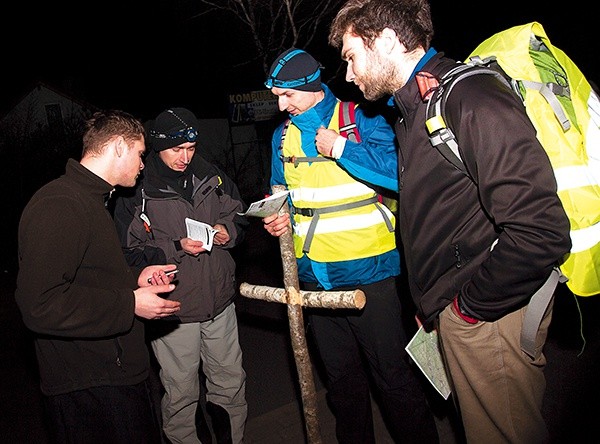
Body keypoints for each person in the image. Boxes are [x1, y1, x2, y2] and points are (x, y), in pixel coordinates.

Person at [328, 1, 572, 443]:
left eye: (350, 56)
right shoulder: (417, 106)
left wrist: (466, 310)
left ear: (386, 41)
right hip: (459, 310)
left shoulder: (469, 96)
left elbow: (540, 230)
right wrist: (431, 305)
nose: (348, 74)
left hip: (492, 315)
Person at [262, 47, 439, 444]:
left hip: (370, 278)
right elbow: (281, 195)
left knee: (394, 381)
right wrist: (277, 218)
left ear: (311, 87)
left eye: (287, 95)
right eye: (276, 95)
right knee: (343, 389)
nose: (280, 104)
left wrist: (342, 148)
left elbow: (401, 174)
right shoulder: (282, 137)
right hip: (314, 282)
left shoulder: (361, 119)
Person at [15, 109, 182, 444]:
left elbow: (90, 272)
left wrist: (137, 277)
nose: (142, 164)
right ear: (118, 146)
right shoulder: (60, 204)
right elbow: (40, 304)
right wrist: (130, 304)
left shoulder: (92, 199)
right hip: (91, 388)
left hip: (113, 377)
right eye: (140, 154)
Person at [113, 107, 249, 444]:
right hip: (172, 308)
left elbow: (243, 218)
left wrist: (226, 230)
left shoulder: (212, 176)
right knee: (181, 391)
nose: (185, 157)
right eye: (176, 149)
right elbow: (125, 253)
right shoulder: (137, 189)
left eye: (190, 148)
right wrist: (176, 246)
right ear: (157, 147)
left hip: (219, 303)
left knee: (230, 382)